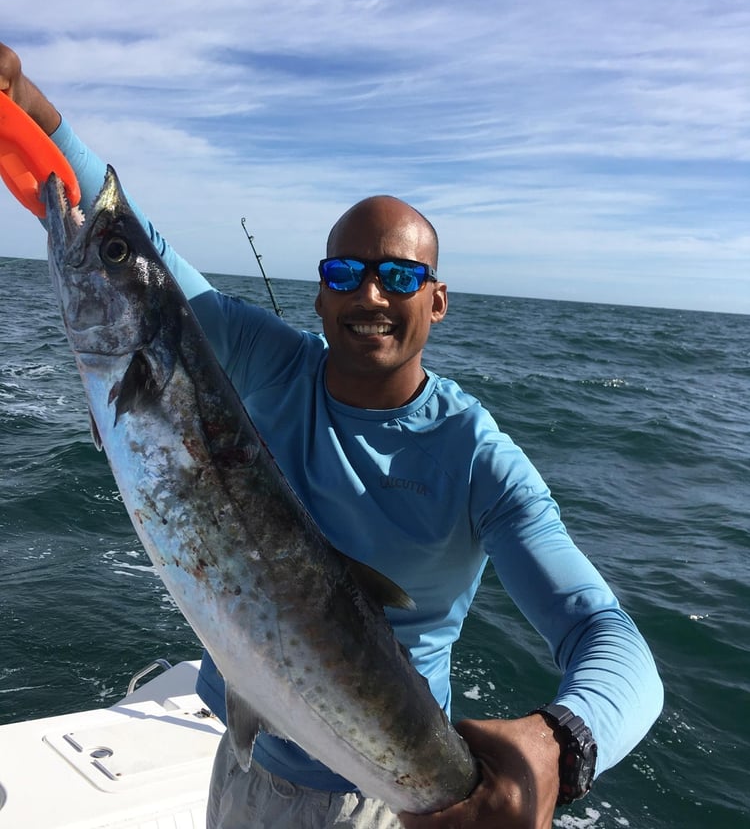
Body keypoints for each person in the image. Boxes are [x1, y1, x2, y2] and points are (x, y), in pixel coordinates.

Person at [0, 41, 663, 829]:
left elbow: (606, 633)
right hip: (244, 758)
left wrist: (558, 745)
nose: (372, 294)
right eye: (346, 274)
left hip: (383, 795)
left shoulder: (478, 457)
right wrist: (29, 107)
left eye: (401, 276)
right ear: (320, 295)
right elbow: (142, 257)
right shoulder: (268, 361)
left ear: (439, 301)